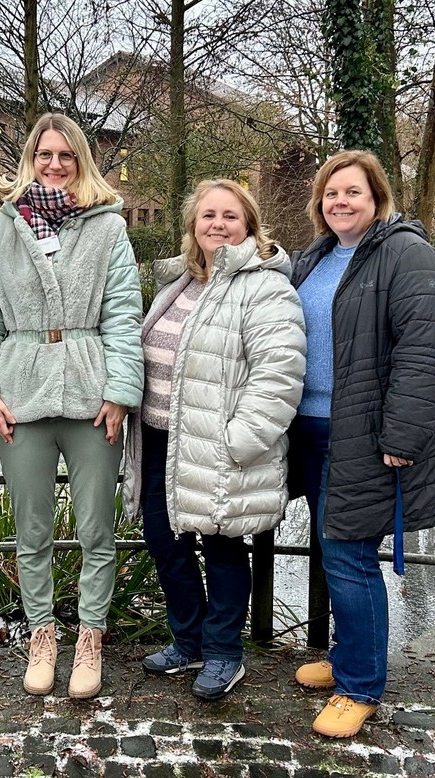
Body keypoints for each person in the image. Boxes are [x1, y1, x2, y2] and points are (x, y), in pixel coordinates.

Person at [0, 113, 143, 699]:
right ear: (30, 159)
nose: (55, 164)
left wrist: (121, 392)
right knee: (31, 530)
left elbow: (121, 312)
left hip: (93, 392)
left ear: (82, 160)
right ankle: (42, 635)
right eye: (45, 154)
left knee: (96, 528)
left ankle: (90, 639)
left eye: (67, 155)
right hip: (21, 392)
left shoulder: (108, 228)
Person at [122, 179, 306, 701]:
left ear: (249, 225)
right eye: (208, 216)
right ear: (193, 226)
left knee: (222, 546)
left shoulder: (264, 287)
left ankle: (224, 652)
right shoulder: (178, 283)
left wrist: (238, 442)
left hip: (219, 446)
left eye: (230, 216)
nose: (218, 225)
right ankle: (190, 640)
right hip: (159, 440)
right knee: (165, 543)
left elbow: (279, 374)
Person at [289, 150, 435, 737]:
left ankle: (360, 685)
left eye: (353, 192)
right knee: (336, 553)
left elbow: (422, 349)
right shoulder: (316, 256)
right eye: (332, 194)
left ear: (376, 197)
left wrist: (402, 436)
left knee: (350, 557)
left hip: (364, 435)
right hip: (309, 428)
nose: (341, 203)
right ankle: (344, 659)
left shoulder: (406, 254)